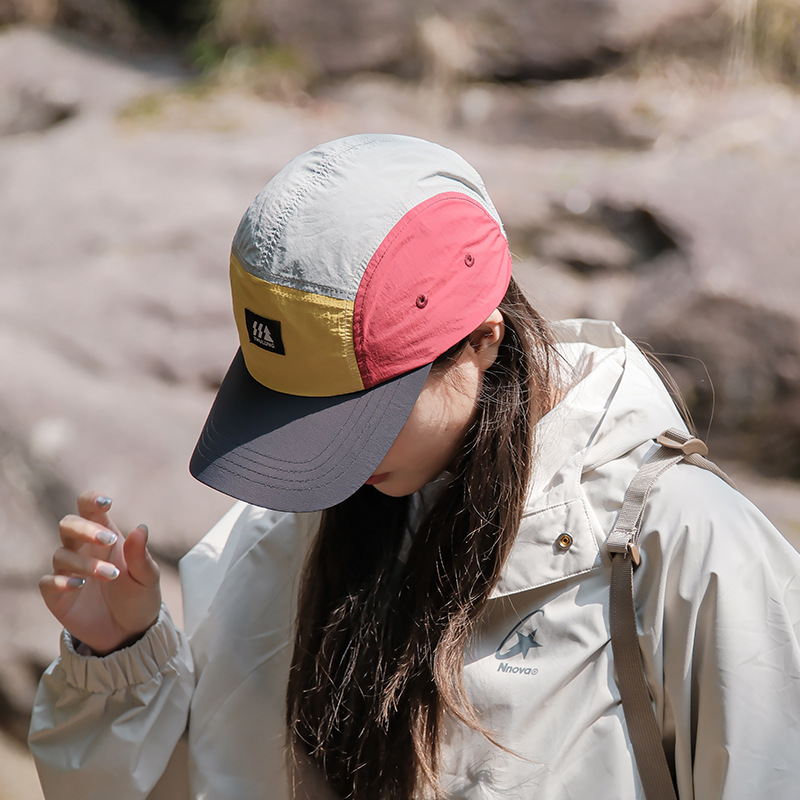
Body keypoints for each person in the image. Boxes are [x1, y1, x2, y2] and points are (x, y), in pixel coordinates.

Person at [29, 134, 800, 800]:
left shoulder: (684, 546)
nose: (330, 459)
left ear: (481, 341)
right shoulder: (285, 537)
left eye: (355, 416)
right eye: (296, 416)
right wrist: (120, 664)